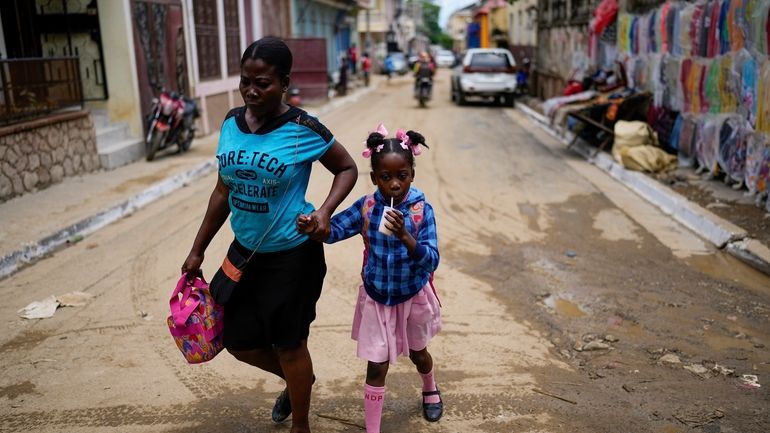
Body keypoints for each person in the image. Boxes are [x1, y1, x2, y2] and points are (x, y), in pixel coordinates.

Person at [181, 37, 357, 433]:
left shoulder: (302, 129)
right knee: (239, 341)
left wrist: (324, 212)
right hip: (243, 254)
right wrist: (197, 250)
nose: (251, 91)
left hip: (292, 258)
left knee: (289, 344)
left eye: (262, 83)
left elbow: (346, 168)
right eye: (246, 81)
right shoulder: (230, 122)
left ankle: (302, 425)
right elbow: (223, 190)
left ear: (284, 82)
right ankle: (300, 382)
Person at [297, 124, 443, 433]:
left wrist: (405, 235)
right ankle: (372, 429)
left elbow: (432, 259)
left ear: (412, 174)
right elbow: (335, 230)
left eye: (401, 176)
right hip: (378, 297)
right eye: (385, 177)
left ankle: (430, 387)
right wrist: (315, 227)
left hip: (412, 294)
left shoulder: (420, 211)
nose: (394, 185)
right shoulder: (368, 206)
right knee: (376, 366)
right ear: (374, 178)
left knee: (419, 354)